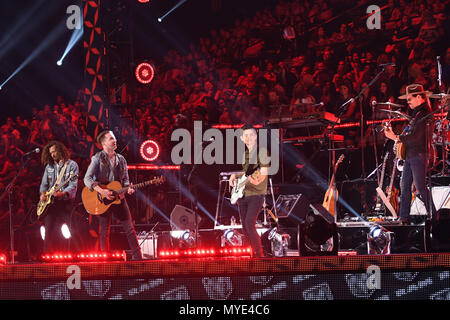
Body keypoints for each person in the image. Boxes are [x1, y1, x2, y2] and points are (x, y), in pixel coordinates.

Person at [83, 130, 142, 260]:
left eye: (114, 138)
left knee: (130, 229)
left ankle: (138, 258)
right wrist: (102, 191)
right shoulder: (97, 158)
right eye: (111, 139)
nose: (114, 140)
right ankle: (106, 261)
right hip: (103, 198)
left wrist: (129, 188)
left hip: (118, 198)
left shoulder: (121, 159)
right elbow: (87, 179)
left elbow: (125, 181)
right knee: (104, 232)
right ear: (104, 143)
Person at [384, 84, 436, 224]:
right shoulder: (417, 114)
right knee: (404, 186)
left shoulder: (425, 115)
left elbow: (417, 138)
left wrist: (396, 137)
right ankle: (404, 217)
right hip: (411, 154)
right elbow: (411, 135)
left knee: (419, 186)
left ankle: (434, 216)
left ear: (419, 97)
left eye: (409, 99)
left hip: (419, 154)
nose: (408, 102)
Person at [229, 124, 270, 257]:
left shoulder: (262, 151)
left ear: (256, 136)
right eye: (246, 135)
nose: (249, 137)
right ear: (242, 138)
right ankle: (250, 254)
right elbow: (246, 173)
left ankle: (259, 255)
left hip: (256, 194)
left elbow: (263, 171)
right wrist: (235, 175)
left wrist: (257, 179)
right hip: (243, 194)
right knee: (244, 227)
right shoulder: (246, 154)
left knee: (249, 223)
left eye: (252, 134)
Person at [39, 141, 79, 252]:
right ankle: (46, 255)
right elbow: (44, 184)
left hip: (65, 203)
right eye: (51, 153)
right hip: (51, 204)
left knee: (73, 229)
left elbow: (73, 185)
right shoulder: (49, 167)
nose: (53, 154)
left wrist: (62, 193)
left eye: (54, 151)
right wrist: (43, 194)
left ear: (60, 150)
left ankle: (79, 254)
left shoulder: (72, 165)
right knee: (48, 230)